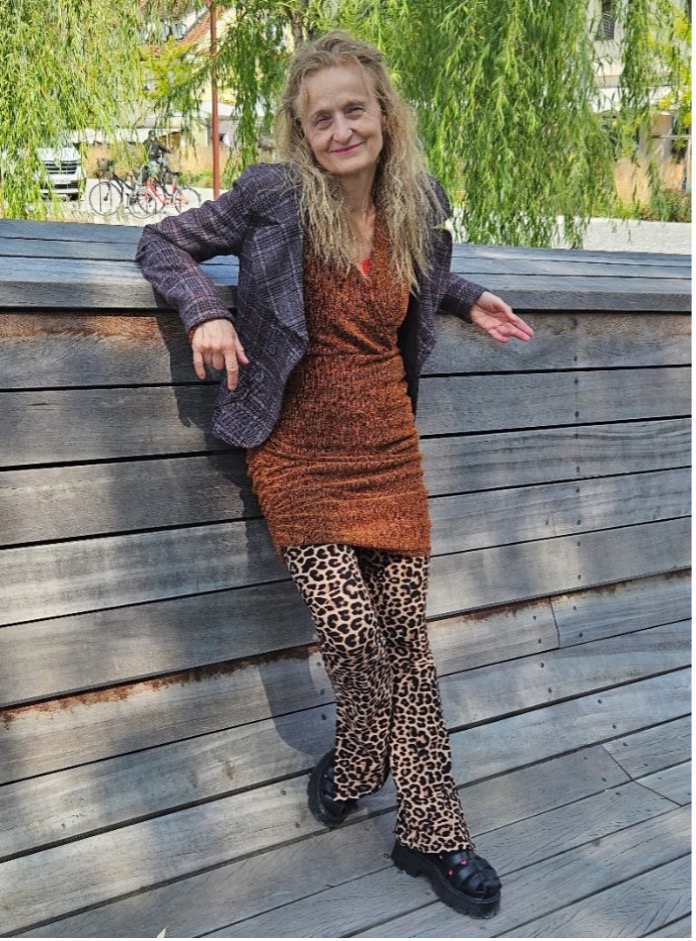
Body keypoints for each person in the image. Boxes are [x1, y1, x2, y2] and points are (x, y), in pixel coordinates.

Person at [136, 30, 533, 920]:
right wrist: (204, 311)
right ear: (301, 130)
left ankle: (431, 829)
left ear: (384, 114)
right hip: (298, 453)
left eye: (355, 110)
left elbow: (404, 273)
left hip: (388, 448)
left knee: (409, 645)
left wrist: (467, 294)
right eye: (322, 118)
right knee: (356, 636)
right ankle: (358, 760)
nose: (341, 129)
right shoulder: (274, 197)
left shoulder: (413, 200)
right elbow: (162, 242)